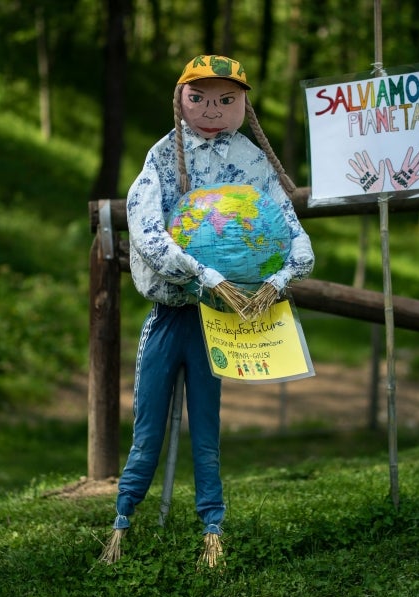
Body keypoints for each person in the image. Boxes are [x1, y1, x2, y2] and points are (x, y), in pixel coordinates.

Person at [100, 54, 314, 566]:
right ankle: (122, 523)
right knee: (147, 427)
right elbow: (147, 231)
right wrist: (201, 271)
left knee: (208, 430)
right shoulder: (161, 157)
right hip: (173, 310)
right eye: (199, 98)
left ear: (244, 105)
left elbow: (296, 239)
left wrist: (280, 276)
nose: (212, 109)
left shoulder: (254, 162)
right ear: (180, 99)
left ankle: (211, 529)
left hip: (219, 323)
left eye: (226, 100)